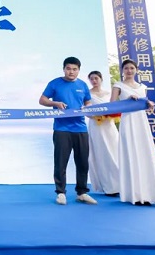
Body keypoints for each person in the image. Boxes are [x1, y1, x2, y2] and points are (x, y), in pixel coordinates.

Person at [39, 56, 97, 205]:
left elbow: (88, 102)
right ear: (64, 69)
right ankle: (60, 192)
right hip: (61, 129)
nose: (71, 72)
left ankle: (82, 192)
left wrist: (87, 108)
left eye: (74, 69)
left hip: (80, 128)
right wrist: (55, 103)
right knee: (61, 162)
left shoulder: (83, 85)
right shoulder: (55, 83)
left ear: (79, 70)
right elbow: (42, 100)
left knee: (82, 162)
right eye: (68, 69)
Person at [111, 59, 155, 206]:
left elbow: (145, 105)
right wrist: (127, 101)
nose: (129, 71)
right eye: (126, 68)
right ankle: (133, 194)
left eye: (132, 68)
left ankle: (147, 193)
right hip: (128, 122)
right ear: (122, 70)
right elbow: (112, 105)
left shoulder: (143, 87)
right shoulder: (118, 85)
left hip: (142, 123)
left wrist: (149, 105)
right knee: (131, 154)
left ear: (136, 70)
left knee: (144, 154)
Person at [87, 70, 119, 196]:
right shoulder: (87, 94)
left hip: (109, 126)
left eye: (96, 78)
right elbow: (86, 111)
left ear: (101, 79)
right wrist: (97, 116)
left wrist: (109, 115)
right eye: (91, 79)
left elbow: (114, 107)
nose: (94, 81)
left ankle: (120, 184)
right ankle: (108, 187)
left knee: (115, 153)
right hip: (96, 126)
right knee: (101, 155)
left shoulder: (109, 93)